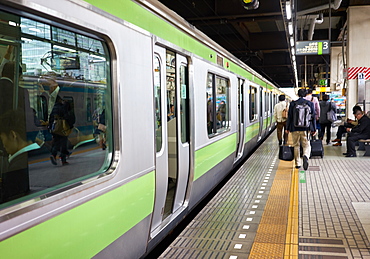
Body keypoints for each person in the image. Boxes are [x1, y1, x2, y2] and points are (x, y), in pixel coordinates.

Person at [0, 109, 40, 203]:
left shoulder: (17, 167)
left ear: (13, 135)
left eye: (1, 139)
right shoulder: (41, 153)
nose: (2, 145)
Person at [285, 89, 316, 170]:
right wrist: (314, 129)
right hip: (306, 128)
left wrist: (287, 128)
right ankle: (305, 155)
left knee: (296, 145)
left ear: (298, 94)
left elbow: (290, 117)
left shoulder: (293, 103)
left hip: (294, 128)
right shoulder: (310, 103)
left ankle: (297, 163)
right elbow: (313, 117)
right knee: (306, 145)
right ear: (306, 95)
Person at [49, 96, 74, 165]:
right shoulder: (62, 107)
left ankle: (53, 154)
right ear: (59, 100)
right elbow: (66, 116)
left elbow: (50, 118)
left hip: (55, 127)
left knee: (56, 141)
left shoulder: (52, 108)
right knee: (63, 143)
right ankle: (63, 159)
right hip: (62, 127)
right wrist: (70, 125)